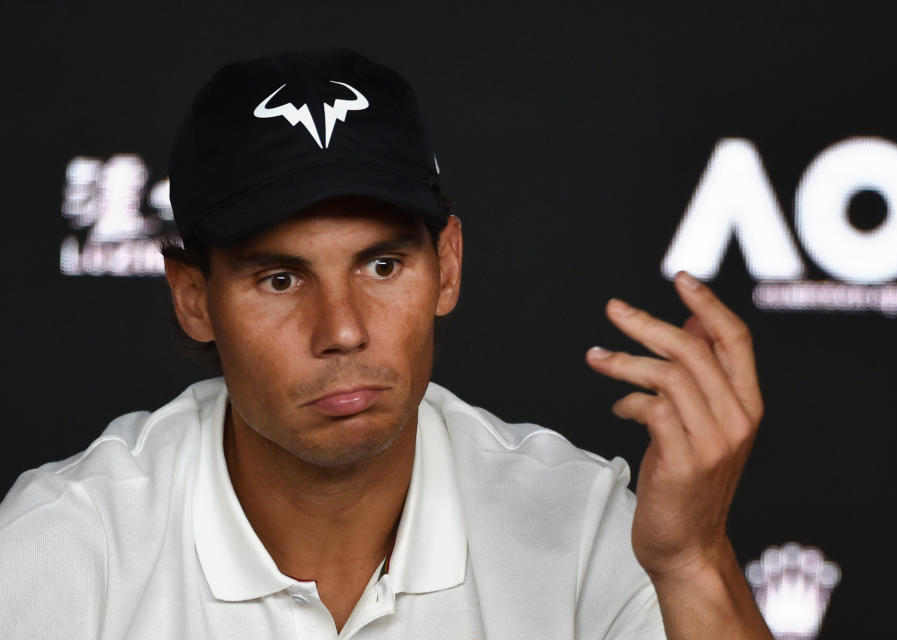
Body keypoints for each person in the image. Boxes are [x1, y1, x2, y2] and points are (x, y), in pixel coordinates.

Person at [0, 50, 773, 639]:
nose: (342, 329)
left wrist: (692, 561)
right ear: (193, 297)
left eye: (382, 265)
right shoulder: (64, 549)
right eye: (279, 279)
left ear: (449, 267)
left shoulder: (578, 528)